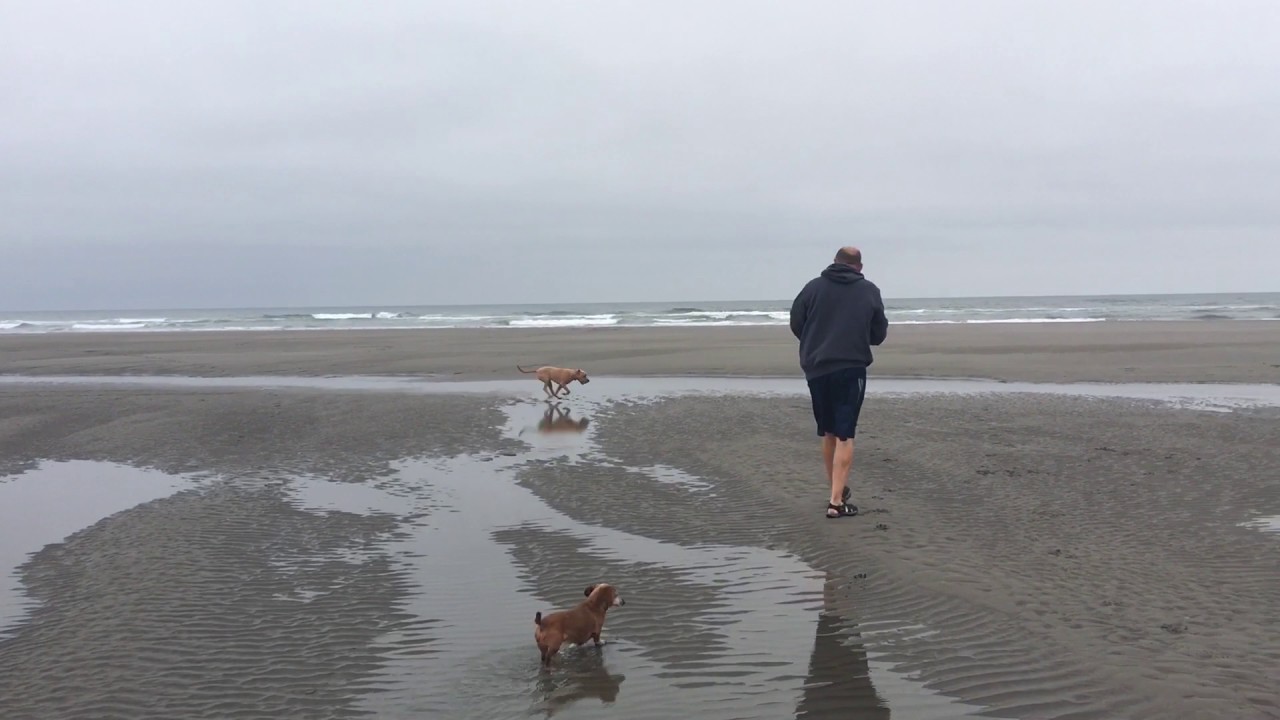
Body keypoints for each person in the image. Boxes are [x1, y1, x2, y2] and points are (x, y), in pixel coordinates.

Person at [789, 246, 889, 519]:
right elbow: (879, 333)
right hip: (850, 366)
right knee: (845, 433)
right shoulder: (868, 290)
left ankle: (836, 490)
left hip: (817, 367)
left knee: (828, 431)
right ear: (859, 266)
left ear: (834, 262)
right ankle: (836, 502)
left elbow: (797, 322)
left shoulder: (812, 288)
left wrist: (816, 341)